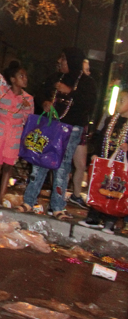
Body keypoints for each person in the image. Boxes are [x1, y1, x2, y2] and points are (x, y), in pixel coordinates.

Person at [18, 48, 97, 219]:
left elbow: (89, 104)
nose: (60, 61)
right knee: (39, 162)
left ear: (73, 61)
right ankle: (29, 201)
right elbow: (40, 92)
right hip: (51, 126)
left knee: (62, 166)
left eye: (64, 59)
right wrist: (45, 102)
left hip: (71, 129)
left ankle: (58, 207)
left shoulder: (87, 83)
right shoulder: (55, 78)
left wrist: (71, 92)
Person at [0, 61, 34, 206]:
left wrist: (26, 109)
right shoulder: (3, 91)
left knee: (8, 167)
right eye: (21, 76)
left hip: (14, 136)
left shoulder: (28, 99)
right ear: (13, 79)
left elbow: (28, 120)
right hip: (0, 133)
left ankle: (0, 198)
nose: (25, 79)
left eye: (25, 76)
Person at [78, 88, 128, 234]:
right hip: (105, 162)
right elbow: (100, 139)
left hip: (121, 165)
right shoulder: (110, 120)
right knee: (99, 187)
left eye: (122, 100)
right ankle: (93, 217)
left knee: (115, 192)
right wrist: (95, 155)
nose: (119, 103)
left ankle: (110, 221)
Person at [69, 59, 94, 208]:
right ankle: (58, 193)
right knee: (62, 163)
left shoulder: (88, 84)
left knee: (80, 164)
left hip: (80, 127)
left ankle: (76, 194)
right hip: (68, 126)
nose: (87, 72)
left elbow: (89, 103)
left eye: (88, 69)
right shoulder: (68, 81)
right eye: (84, 68)